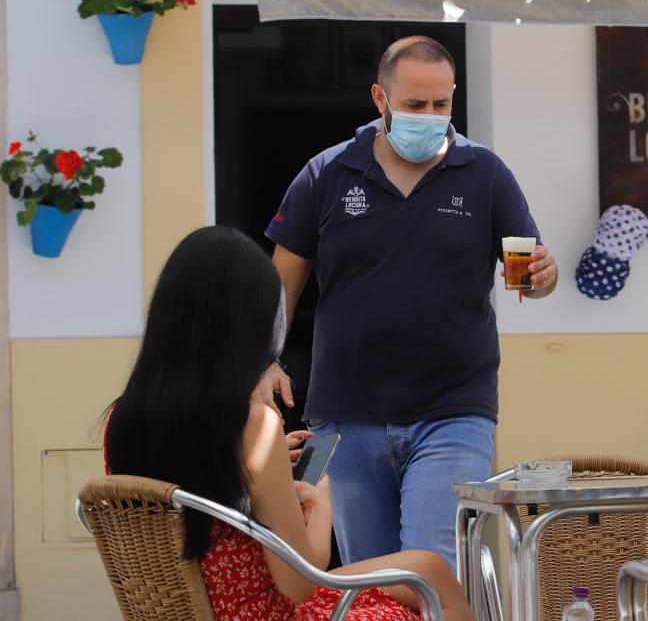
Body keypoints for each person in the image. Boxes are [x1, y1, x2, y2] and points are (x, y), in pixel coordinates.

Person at [257, 35, 558, 567]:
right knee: (370, 581)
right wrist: (265, 358)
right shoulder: (327, 174)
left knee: (432, 568)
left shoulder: (485, 174)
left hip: (454, 412)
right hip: (346, 415)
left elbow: (531, 276)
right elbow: (282, 282)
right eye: (415, 104)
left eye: (441, 103)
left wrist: (542, 276)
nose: (430, 116)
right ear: (381, 98)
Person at [104, 226, 472, 621]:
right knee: (432, 580)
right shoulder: (252, 425)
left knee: (428, 568)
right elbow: (299, 583)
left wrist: (266, 468)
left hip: (201, 607)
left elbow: (205, 506)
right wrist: (321, 503)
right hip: (266, 611)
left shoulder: (121, 419)